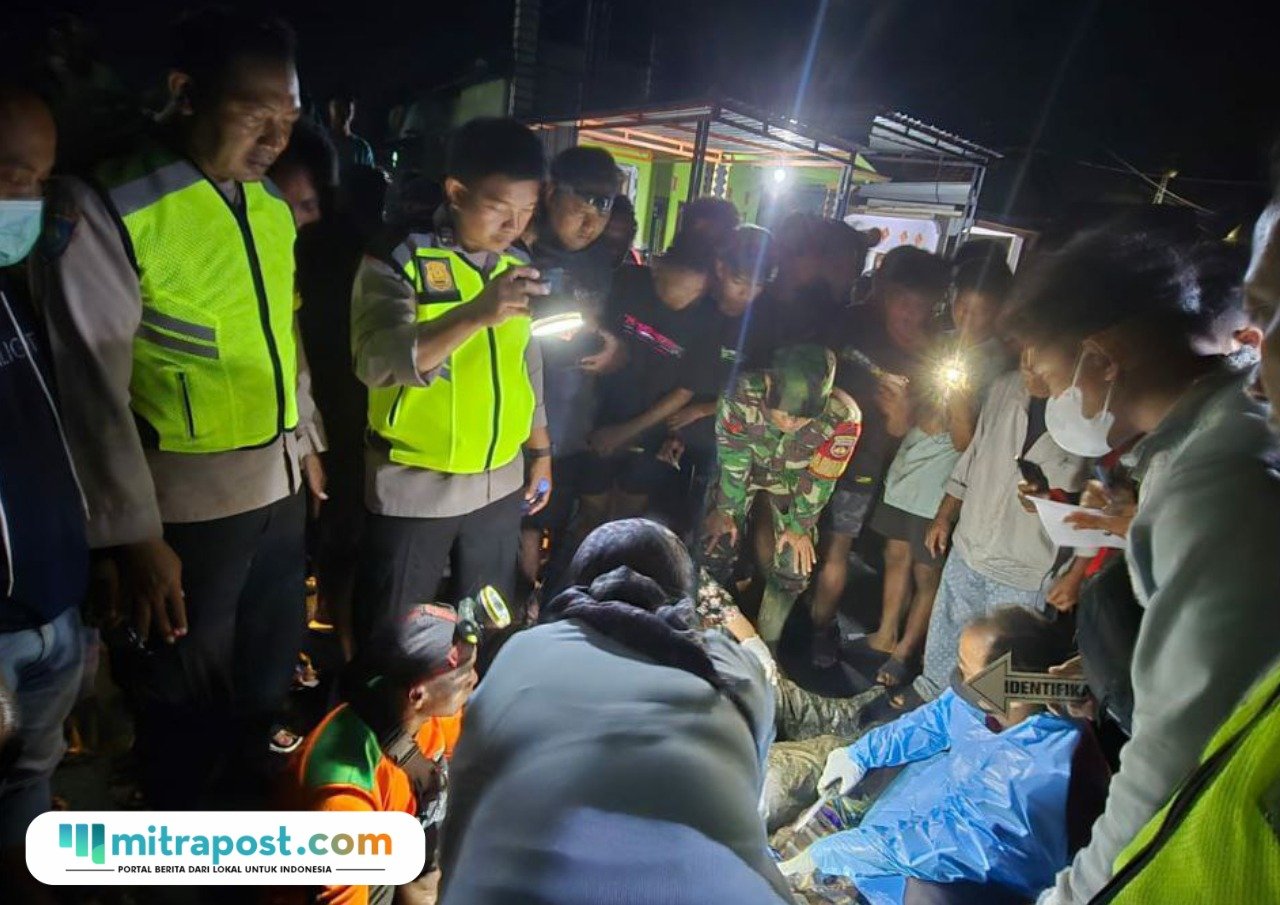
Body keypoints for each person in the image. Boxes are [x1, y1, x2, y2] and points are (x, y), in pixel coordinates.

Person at [38, 11, 325, 808]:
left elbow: (282, 329)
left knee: (263, 690)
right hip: (183, 518)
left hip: (277, 492)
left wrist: (307, 438)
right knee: (181, 709)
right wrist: (133, 535)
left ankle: (245, 852)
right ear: (184, 93)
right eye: (256, 112)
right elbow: (88, 385)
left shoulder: (266, 205)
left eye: (291, 118)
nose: (276, 135)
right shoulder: (108, 203)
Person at [1000, 227, 1280, 904]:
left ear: (1103, 356)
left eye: (1040, 361)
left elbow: (1175, 747)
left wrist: (1078, 894)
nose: (1035, 383)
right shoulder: (1193, 453)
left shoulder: (1214, 478)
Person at [438, 519, 790, 903]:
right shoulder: (736, 671)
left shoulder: (525, 651)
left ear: (582, 584)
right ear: (683, 596)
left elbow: (464, 805)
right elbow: (747, 785)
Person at [350, 116, 552, 639]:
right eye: (500, 208)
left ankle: (473, 719)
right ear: (457, 192)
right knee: (401, 642)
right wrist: (475, 313)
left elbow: (525, 361)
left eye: (527, 211)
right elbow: (374, 360)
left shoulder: (518, 259)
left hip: (498, 487)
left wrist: (540, 450)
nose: (514, 226)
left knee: (483, 631)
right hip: (416, 486)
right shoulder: (401, 255)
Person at [780, 607, 1101, 905]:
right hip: (932, 814)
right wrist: (861, 754)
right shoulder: (988, 698)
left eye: (966, 669)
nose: (959, 677)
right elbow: (936, 719)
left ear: (1015, 683)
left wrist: (851, 850)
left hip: (977, 877)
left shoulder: (1035, 769)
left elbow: (955, 844)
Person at [0, 85, 88, 901]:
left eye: (39, 181)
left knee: (29, 783)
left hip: (53, 606)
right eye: (8, 175)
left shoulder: (13, 293)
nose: (24, 200)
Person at [907, 346, 1093, 705]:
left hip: (1025, 568)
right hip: (970, 545)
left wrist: (1074, 575)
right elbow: (975, 453)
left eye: (1040, 353)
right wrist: (946, 514)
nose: (1028, 364)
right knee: (946, 643)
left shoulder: (1091, 416)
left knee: (998, 679)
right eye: (1025, 349)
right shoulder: (1005, 387)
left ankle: (973, 735)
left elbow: (1098, 507)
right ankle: (926, 710)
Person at [867, 256, 1015, 685]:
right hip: (909, 463)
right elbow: (914, 406)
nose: (967, 318)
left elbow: (967, 442)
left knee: (925, 569)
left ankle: (905, 651)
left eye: (979, 311)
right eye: (961, 307)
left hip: (942, 481)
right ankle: (884, 633)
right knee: (894, 554)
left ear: (999, 311)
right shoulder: (940, 342)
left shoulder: (998, 364)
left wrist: (959, 400)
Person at [277, 604, 476, 905]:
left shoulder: (422, 708)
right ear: (418, 694)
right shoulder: (345, 793)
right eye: (463, 679)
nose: (474, 679)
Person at [810, 246, 949, 666]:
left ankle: (818, 635)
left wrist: (900, 412)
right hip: (808, 453)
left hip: (863, 465)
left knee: (837, 549)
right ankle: (787, 625)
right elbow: (813, 370)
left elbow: (900, 430)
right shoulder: (851, 322)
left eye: (922, 307)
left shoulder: (930, 356)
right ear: (888, 293)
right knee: (795, 540)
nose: (911, 314)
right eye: (905, 302)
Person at [702, 345, 862, 645]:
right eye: (784, 413)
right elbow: (733, 459)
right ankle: (708, 633)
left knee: (793, 564)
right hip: (742, 472)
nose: (789, 423)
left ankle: (765, 644)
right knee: (715, 544)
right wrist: (725, 511)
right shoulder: (739, 394)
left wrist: (799, 527)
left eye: (801, 419)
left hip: (795, 483)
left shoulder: (844, 419)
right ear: (769, 385)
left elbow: (821, 480)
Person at [518, 145, 622, 591]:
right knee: (525, 522)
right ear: (550, 193)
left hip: (581, 417)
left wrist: (615, 349)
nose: (592, 220)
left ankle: (556, 594)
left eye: (605, 206)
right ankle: (519, 611)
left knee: (570, 516)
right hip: (527, 423)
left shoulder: (602, 263)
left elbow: (610, 328)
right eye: (584, 202)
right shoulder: (521, 250)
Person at [576, 243, 711, 529]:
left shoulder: (704, 321)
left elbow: (684, 391)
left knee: (626, 520)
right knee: (591, 512)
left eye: (694, 293)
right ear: (658, 269)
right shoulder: (628, 281)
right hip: (596, 415)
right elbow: (590, 319)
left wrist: (625, 432)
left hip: (650, 432)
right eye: (675, 288)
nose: (682, 300)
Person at [666, 225, 776, 535]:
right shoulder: (697, 309)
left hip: (730, 450)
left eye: (756, 285)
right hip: (681, 439)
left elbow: (764, 393)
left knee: (711, 536)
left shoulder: (764, 326)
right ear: (720, 268)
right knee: (670, 526)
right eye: (739, 282)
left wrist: (701, 410)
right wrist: (675, 428)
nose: (746, 293)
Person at [327, 93, 374, 175]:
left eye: (347, 109)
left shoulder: (362, 148)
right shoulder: (321, 143)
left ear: (352, 113)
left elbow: (369, 179)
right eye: (338, 109)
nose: (343, 114)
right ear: (331, 110)